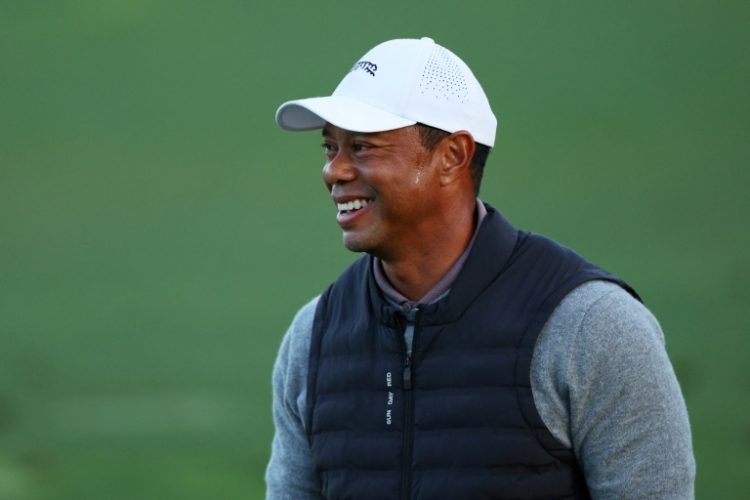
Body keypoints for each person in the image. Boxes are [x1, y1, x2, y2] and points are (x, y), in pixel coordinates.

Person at [265, 37, 695, 499]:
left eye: (364, 148)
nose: (334, 171)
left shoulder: (592, 327)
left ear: (453, 156)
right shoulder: (313, 337)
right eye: (330, 148)